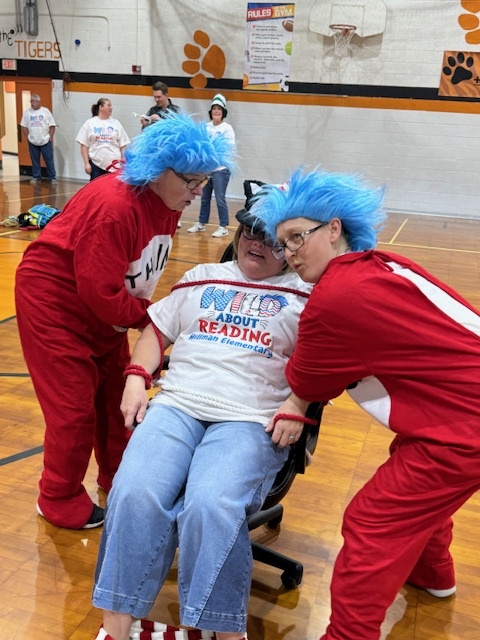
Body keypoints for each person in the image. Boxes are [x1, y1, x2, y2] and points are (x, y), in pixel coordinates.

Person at [252, 167, 480, 640]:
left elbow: (308, 381)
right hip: (455, 413)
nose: (290, 253)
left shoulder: (335, 296)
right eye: (283, 244)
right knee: (417, 489)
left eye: (298, 237)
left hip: (464, 428)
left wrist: (297, 394)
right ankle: (433, 574)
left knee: (373, 524)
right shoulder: (382, 263)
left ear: (334, 228)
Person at [91, 193, 312, 640]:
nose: (257, 243)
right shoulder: (201, 277)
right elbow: (156, 330)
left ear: (291, 245)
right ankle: (115, 627)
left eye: (271, 238)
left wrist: (300, 403)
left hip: (250, 417)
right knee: (132, 491)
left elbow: (326, 361)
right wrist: (136, 377)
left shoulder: (306, 295)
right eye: (250, 231)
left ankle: (223, 630)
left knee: (211, 504)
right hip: (178, 405)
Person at [15, 112, 234, 530]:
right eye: (191, 180)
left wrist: (147, 317)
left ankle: (118, 475)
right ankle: (57, 495)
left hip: (105, 306)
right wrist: (154, 320)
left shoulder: (168, 201)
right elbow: (98, 291)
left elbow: (129, 276)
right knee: (73, 408)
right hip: (55, 304)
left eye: (204, 181)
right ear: (158, 170)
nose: (198, 190)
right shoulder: (115, 206)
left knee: (118, 399)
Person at [188, 94, 236, 238]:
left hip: (221, 170)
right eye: (214, 108)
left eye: (219, 109)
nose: (216, 111)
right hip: (206, 170)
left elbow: (229, 148)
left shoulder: (227, 129)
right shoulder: (206, 127)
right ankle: (201, 223)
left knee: (220, 199)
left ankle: (223, 226)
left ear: (223, 112)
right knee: (204, 198)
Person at [76, 98, 131, 180]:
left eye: (111, 106)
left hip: (114, 165)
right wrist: (86, 163)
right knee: (96, 187)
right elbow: (84, 145)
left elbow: (123, 145)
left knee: (112, 187)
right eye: (109, 105)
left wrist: (124, 162)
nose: (111, 108)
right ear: (101, 107)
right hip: (96, 164)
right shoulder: (90, 123)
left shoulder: (116, 123)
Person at [20, 93, 57, 185]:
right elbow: (23, 126)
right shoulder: (27, 113)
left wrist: (50, 137)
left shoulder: (45, 111)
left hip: (45, 140)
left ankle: (52, 177)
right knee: (35, 160)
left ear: (39, 102)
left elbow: (52, 125)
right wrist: (27, 137)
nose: (32, 103)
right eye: (31, 101)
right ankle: (36, 176)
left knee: (49, 159)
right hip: (32, 141)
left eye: (34, 101)